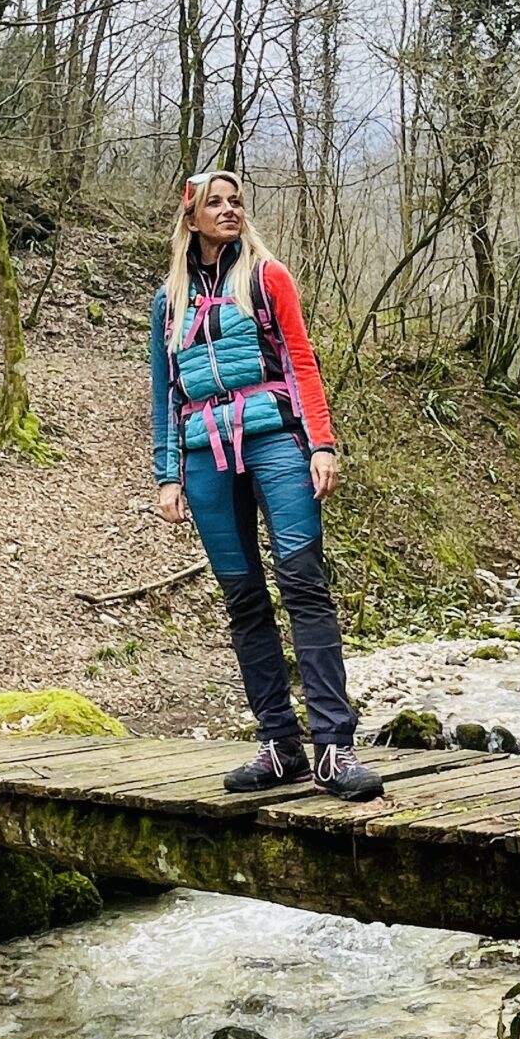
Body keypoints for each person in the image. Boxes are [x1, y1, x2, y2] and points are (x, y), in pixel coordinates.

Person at [150, 168, 384, 802]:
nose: (229, 211)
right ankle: (280, 746)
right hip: (203, 457)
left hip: (278, 443)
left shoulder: (266, 276)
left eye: (236, 202)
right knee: (244, 599)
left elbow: (302, 359)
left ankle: (334, 747)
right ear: (192, 216)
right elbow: (165, 391)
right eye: (215, 204)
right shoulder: (168, 300)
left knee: (303, 582)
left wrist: (322, 444)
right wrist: (167, 473)